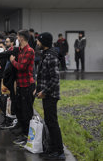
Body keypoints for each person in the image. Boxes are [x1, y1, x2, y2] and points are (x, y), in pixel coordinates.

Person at [35, 32, 65, 160]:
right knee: (49, 121)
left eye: (38, 41)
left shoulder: (51, 57)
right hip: (47, 94)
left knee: (52, 123)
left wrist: (44, 92)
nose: (37, 43)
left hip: (51, 95)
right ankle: (52, 149)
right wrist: (37, 89)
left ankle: (59, 152)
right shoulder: (46, 54)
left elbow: (55, 79)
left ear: (44, 42)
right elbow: (43, 76)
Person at [9, 30, 35, 146]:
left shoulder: (29, 51)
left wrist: (12, 61)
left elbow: (22, 67)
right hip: (20, 84)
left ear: (22, 38)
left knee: (27, 112)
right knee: (20, 110)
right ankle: (24, 134)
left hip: (27, 85)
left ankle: (27, 137)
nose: (17, 39)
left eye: (18, 37)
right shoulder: (20, 50)